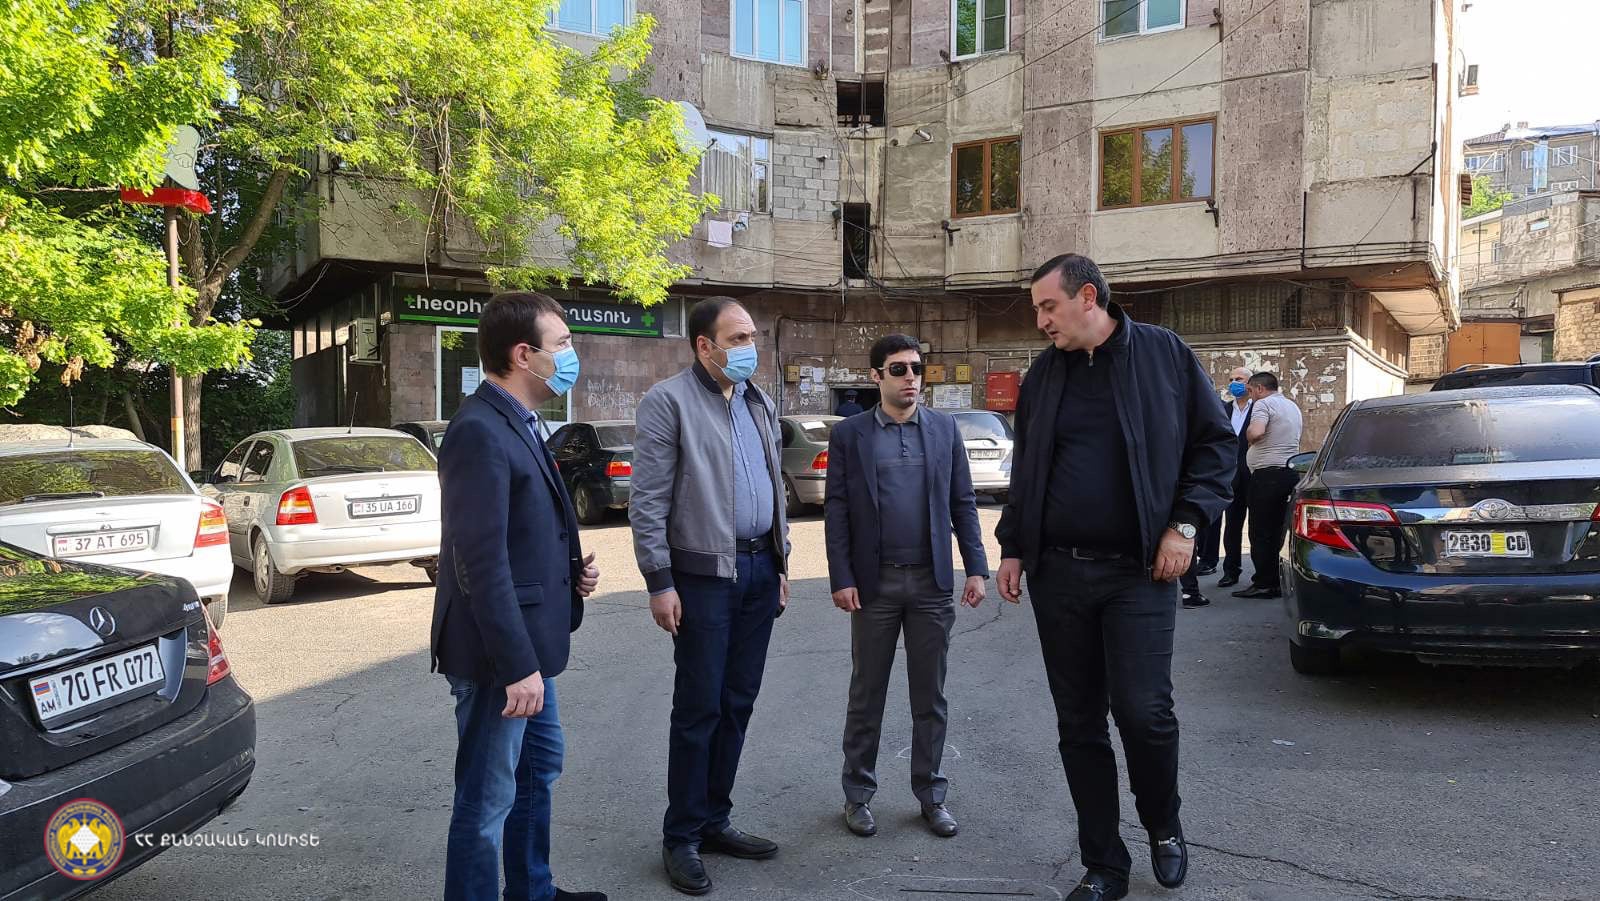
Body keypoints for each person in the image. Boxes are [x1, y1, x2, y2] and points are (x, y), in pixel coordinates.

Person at [994, 254, 1234, 901]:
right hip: (1059, 575)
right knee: (1079, 722)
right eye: (1037, 309)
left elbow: (1216, 445)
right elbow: (1026, 470)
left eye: (1048, 306)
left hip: (1140, 572)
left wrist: (1185, 525)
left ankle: (1163, 822)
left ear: (1088, 297)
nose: (1041, 321)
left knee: (1143, 711)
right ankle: (1104, 863)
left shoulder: (1163, 355)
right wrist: (1013, 546)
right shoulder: (1044, 376)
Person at [431, 292, 605, 901]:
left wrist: (567, 574)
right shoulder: (478, 429)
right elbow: (478, 562)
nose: (572, 355)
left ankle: (533, 890)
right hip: (498, 658)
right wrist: (515, 667)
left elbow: (520, 532)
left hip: (527, 645)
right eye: (563, 345)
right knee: (486, 799)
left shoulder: (522, 420)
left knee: (538, 769)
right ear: (523, 355)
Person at [631, 297, 791, 896]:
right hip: (701, 579)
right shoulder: (668, 401)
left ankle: (714, 819)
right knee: (699, 708)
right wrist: (659, 581)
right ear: (705, 345)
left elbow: (773, 488)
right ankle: (681, 836)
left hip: (759, 571)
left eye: (752, 335)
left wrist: (780, 563)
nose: (751, 346)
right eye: (738, 337)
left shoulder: (757, 401)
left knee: (738, 702)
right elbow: (648, 500)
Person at [823, 334, 989, 840]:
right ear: (876, 376)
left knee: (930, 697)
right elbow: (837, 509)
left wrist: (976, 567)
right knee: (866, 695)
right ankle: (857, 796)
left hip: (931, 584)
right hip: (874, 586)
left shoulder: (943, 429)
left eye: (917, 367)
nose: (911, 377)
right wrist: (842, 577)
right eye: (898, 369)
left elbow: (962, 501)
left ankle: (931, 796)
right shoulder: (850, 435)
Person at [1232, 372, 1303, 600]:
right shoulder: (1292, 406)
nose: (1250, 396)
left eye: (1251, 391)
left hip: (1266, 476)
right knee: (1277, 531)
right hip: (1289, 473)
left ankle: (1264, 583)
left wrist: (1249, 435)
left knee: (1261, 531)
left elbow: (1256, 432)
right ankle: (1276, 580)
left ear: (1260, 389)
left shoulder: (1263, 404)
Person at [1215, 367, 1255, 589]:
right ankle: (1230, 570)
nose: (1233, 383)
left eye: (1238, 379)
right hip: (1230, 475)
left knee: (1258, 526)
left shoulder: (1259, 408)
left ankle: (1263, 573)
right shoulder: (1224, 409)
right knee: (1232, 525)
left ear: (1250, 383)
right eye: (1230, 379)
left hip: (1253, 473)